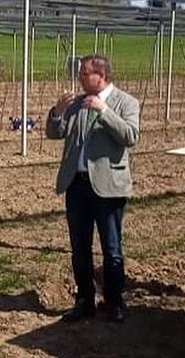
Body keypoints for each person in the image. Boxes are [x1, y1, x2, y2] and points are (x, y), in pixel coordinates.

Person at [46, 54, 139, 323]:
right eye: (81, 73)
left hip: (108, 187)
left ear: (102, 75)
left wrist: (104, 111)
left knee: (111, 248)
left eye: (85, 73)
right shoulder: (76, 103)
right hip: (77, 184)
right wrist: (57, 112)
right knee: (79, 247)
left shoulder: (125, 102)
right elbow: (55, 133)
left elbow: (130, 136)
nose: (80, 78)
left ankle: (114, 302)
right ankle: (84, 300)